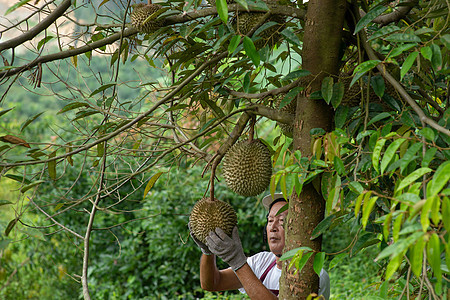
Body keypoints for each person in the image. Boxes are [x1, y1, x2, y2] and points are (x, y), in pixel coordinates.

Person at [190, 193, 330, 299]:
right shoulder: (262, 262)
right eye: (270, 220)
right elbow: (213, 283)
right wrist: (207, 252)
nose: (273, 228)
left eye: (282, 221)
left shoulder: (314, 274)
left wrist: (238, 262)